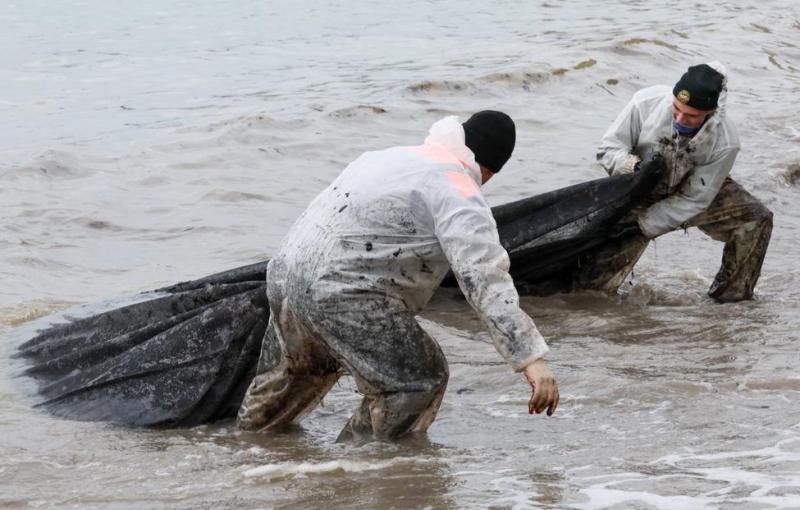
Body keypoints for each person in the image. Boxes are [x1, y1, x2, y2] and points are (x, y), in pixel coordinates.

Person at [237, 111, 559, 441]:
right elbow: (483, 278)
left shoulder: (388, 157)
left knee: (293, 374)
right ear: (489, 169)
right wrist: (530, 360)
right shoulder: (458, 191)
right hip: (341, 292)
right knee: (418, 377)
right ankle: (355, 464)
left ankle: (245, 452)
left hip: (285, 273)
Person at [581, 62, 773, 302]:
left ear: (709, 114)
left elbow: (696, 198)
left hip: (691, 188)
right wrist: (634, 166)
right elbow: (608, 149)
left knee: (757, 219)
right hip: (636, 190)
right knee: (592, 286)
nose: (680, 118)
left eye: (691, 116)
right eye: (676, 109)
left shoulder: (726, 142)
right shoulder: (644, 103)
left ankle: (729, 300)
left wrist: (645, 225)